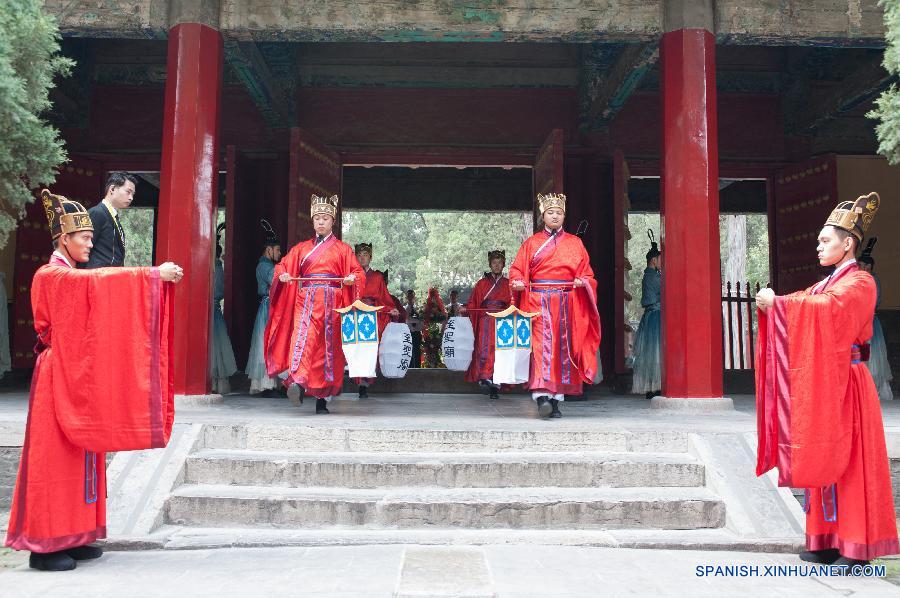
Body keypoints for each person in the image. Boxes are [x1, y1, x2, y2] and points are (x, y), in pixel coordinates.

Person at [5, 190, 182, 571]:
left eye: (90, 236)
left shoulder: (70, 275)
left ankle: (78, 534)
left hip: (76, 371)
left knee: (85, 453)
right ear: (63, 239)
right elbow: (98, 284)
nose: (90, 242)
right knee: (54, 458)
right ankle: (44, 546)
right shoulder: (52, 275)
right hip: (57, 376)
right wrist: (150, 274)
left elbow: (96, 291)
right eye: (84, 237)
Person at [755, 192, 898, 570]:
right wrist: (778, 303)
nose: (818, 246)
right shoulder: (826, 284)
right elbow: (807, 301)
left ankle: (855, 546)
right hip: (827, 382)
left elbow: (829, 311)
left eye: (825, 240)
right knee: (823, 454)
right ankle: (825, 539)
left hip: (848, 384)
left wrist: (778, 304)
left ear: (847, 243)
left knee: (850, 460)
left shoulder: (861, 283)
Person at [264, 194, 364, 414]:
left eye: (325, 218)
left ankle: (323, 399)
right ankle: (298, 382)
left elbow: (357, 273)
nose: (320, 221)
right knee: (302, 340)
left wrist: (351, 279)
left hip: (333, 305)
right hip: (307, 301)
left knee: (329, 351)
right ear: (312, 221)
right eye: (317, 218)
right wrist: (282, 275)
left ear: (332, 221)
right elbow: (282, 266)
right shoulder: (301, 249)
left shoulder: (343, 250)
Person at [509, 193, 601, 418]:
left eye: (559, 213)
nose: (555, 216)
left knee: (562, 349)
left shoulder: (575, 243)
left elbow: (588, 273)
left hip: (566, 303)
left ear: (564, 216)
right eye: (550, 213)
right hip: (537, 301)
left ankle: (557, 399)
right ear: (543, 216)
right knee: (541, 348)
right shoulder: (531, 243)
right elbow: (517, 270)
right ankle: (542, 396)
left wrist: (583, 281)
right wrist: (518, 282)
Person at [461, 250, 511, 400]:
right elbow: (473, 302)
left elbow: (514, 303)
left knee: (499, 351)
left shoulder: (508, 284)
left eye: (499, 263)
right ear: (490, 265)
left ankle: (496, 384)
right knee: (483, 349)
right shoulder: (481, 284)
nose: (496, 265)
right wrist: (466, 309)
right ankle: (484, 377)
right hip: (485, 320)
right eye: (494, 263)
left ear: (503, 265)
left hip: (502, 321)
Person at [353, 243, 399, 398]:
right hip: (355, 315)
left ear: (370, 257)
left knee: (369, 350)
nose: (362, 258)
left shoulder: (378, 277)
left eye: (365, 255)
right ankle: (359, 381)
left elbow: (384, 299)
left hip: (371, 317)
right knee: (357, 349)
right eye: (359, 255)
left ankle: (364, 383)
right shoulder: (351, 276)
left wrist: (389, 309)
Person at [247, 220, 283, 396]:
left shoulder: (269, 265)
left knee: (273, 344)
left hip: (271, 306)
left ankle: (273, 383)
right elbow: (275, 281)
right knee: (266, 344)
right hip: (267, 308)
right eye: (277, 250)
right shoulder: (264, 266)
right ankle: (266, 385)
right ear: (269, 250)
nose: (279, 253)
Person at [858, 238, 894, 401]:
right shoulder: (853, 281)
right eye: (861, 266)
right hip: (856, 322)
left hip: (870, 322)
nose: (864, 269)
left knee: (873, 357)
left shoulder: (874, 281)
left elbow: (876, 301)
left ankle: (873, 390)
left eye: (867, 267)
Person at [631, 230, 662, 400]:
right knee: (655, 353)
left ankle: (655, 386)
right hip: (655, 317)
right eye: (660, 259)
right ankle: (654, 386)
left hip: (653, 317)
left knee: (654, 353)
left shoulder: (654, 275)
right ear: (654, 260)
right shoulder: (651, 277)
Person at [83, 171, 136, 269]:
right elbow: (83, 249)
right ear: (112, 189)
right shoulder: (97, 213)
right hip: (96, 277)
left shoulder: (113, 216)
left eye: (132, 194)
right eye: (128, 192)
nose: (131, 198)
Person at [210, 224, 238, 395]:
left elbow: (217, 291)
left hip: (212, 310)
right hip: (215, 310)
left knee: (214, 346)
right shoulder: (217, 267)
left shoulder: (216, 267)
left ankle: (213, 382)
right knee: (218, 346)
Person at [404, 289, 422, 367]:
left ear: (414, 296)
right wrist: (415, 320)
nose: (410, 297)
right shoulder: (404, 308)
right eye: (409, 296)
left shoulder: (418, 308)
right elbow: (406, 319)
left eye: (412, 295)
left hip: (417, 332)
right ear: (406, 297)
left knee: (417, 351)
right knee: (409, 351)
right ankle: (410, 369)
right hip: (408, 332)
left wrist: (412, 320)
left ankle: (418, 369)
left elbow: (422, 320)